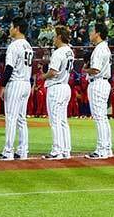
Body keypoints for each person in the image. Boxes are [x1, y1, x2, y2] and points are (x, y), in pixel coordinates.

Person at [0, 18, 33, 161]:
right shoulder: (28, 45)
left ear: (17, 28)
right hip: (26, 83)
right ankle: (23, 150)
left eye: (12, 26)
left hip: (16, 82)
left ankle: (8, 151)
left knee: (11, 118)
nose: (10, 29)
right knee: (21, 119)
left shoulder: (14, 45)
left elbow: (9, 68)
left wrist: (2, 85)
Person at [41, 25, 74, 160]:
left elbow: (53, 72)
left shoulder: (59, 52)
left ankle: (57, 150)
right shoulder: (70, 51)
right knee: (62, 121)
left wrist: (42, 76)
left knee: (55, 121)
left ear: (60, 37)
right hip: (65, 86)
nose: (53, 38)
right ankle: (65, 150)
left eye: (55, 36)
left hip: (56, 87)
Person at [83, 23, 112, 159]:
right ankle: (106, 147)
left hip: (98, 82)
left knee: (99, 117)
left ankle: (101, 149)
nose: (90, 33)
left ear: (98, 33)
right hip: (103, 82)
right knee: (102, 117)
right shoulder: (103, 47)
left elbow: (96, 70)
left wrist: (85, 70)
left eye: (92, 31)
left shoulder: (100, 49)